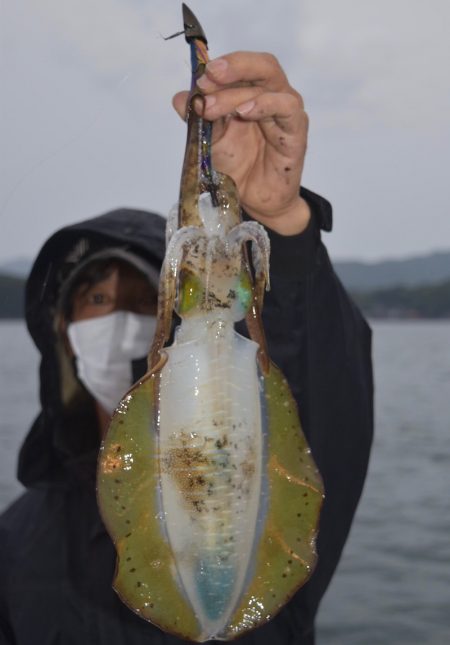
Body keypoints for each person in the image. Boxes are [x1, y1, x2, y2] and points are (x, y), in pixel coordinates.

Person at [0, 52, 373, 644]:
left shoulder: (272, 430)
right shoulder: (16, 544)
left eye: (143, 297)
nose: (121, 318)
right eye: (97, 300)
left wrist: (281, 224)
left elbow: (324, 381)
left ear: (170, 306)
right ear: (62, 331)